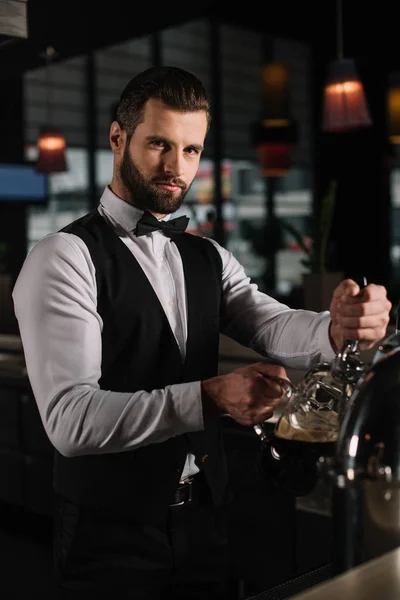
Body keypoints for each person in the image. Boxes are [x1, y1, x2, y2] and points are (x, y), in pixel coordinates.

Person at [12, 66, 391, 600]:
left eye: (191, 150)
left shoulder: (207, 254)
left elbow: (271, 322)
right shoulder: (64, 257)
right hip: (110, 534)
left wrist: (340, 327)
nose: (176, 167)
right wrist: (212, 397)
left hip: (206, 517)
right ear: (118, 138)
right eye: (160, 144)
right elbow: (72, 421)